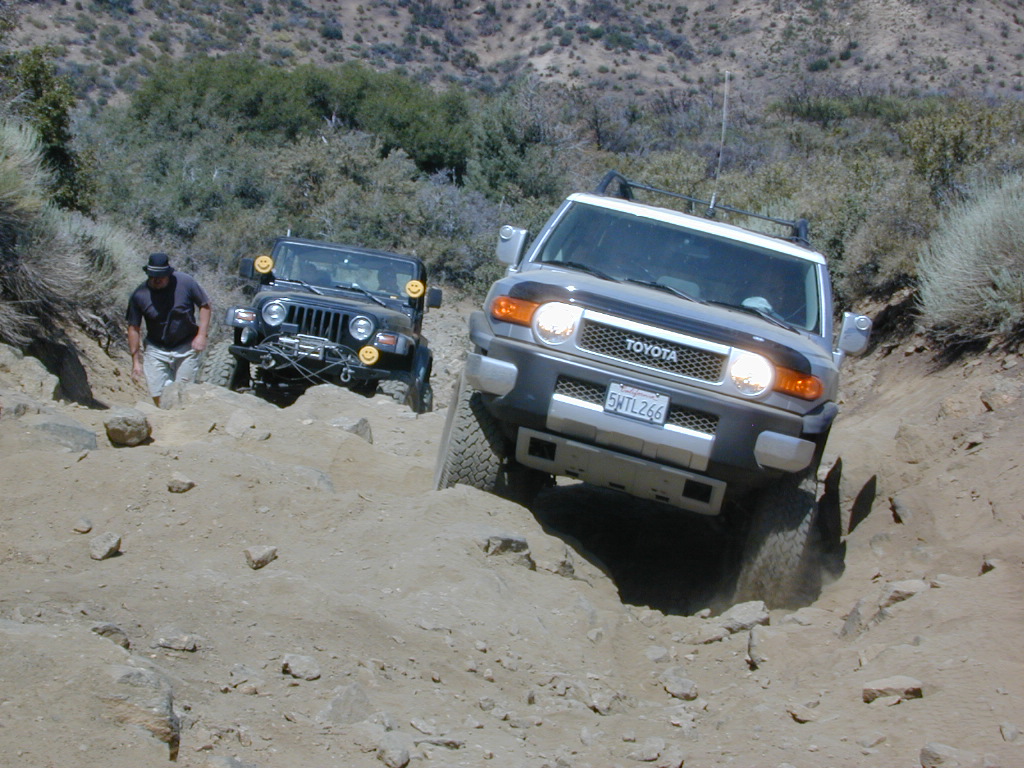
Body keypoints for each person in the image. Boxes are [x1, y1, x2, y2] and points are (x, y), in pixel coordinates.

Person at [126, 253, 212, 406]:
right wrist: (136, 361)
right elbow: (133, 328)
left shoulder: (186, 282)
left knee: (183, 392)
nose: (156, 280)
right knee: (157, 393)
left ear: (169, 274)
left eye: (161, 276)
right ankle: (164, 418)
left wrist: (201, 335)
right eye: (152, 276)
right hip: (156, 347)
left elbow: (205, 305)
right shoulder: (140, 295)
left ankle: (180, 424)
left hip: (186, 345)